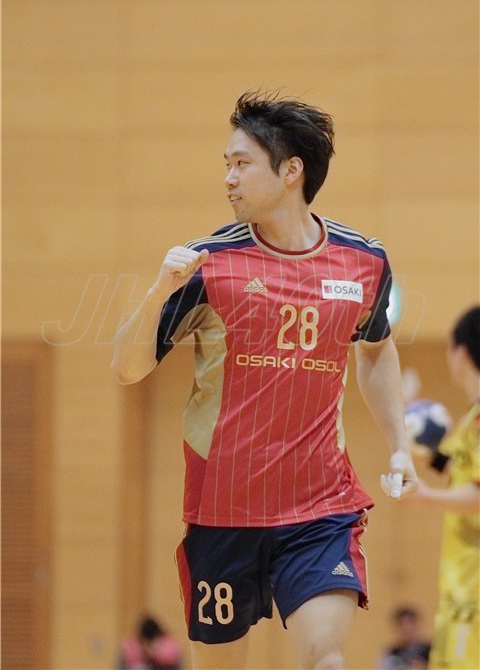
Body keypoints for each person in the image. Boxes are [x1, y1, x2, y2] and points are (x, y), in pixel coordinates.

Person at [112, 91, 418, 670]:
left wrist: (400, 445)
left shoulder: (363, 261)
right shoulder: (208, 264)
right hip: (222, 512)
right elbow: (127, 369)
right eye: (226, 164)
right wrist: (158, 291)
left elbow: (376, 350)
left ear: (290, 170)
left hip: (321, 508)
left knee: (327, 659)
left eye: (242, 163)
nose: (228, 178)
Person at [407, 306, 480, 670]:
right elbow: (461, 472)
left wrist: (424, 497)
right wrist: (408, 420)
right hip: (459, 592)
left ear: (461, 352)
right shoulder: (472, 418)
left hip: (474, 594)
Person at [117, 614, 182, 670]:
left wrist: (154, 653)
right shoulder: (132, 644)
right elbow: (126, 662)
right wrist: (143, 651)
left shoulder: (168, 643)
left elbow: (171, 659)